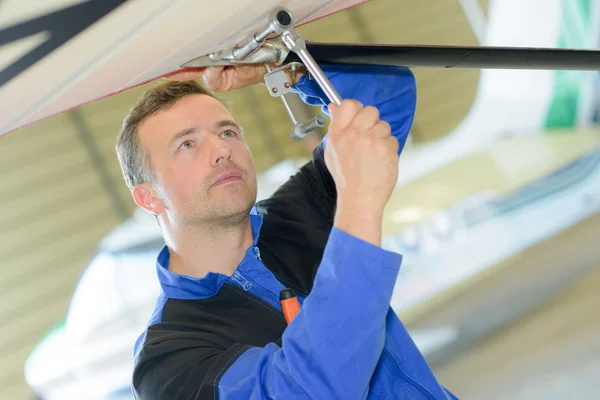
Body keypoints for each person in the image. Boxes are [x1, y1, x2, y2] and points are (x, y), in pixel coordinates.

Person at [116, 62, 458, 399]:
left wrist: (282, 70)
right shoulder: (167, 361)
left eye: (228, 133)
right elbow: (308, 390)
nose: (222, 150)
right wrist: (359, 204)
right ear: (149, 198)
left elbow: (386, 91)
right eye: (187, 145)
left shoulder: (301, 208)